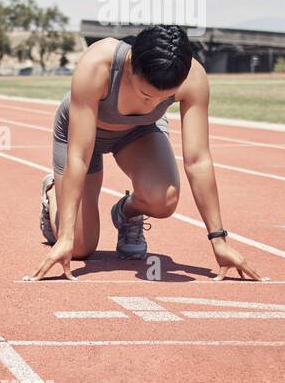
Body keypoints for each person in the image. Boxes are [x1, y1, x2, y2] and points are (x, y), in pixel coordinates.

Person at [26, 24, 265, 282]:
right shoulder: (97, 64)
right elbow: (79, 156)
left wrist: (219, 240)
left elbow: (198, 160)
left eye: (163, 100)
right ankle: (53, 195)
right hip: (85, 134)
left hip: (137, 132)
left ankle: (126, 213)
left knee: (164, 200)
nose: (151, 104)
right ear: (130, 65)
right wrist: (66, 237)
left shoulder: (193, 76)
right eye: (144, 94)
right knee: (80, 248)